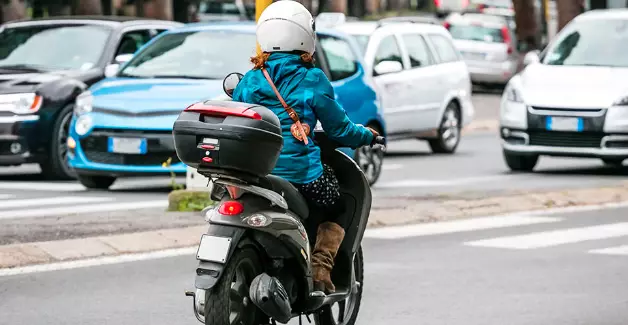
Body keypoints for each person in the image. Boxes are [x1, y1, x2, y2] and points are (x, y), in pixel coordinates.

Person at [232, 0, 379, 294]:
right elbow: (340, 129)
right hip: (300, 174)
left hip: (255, 174)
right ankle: (321, 268)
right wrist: (366, 136)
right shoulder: (311, 79)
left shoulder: (249, 80)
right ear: (304, 36)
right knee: (338, 205)